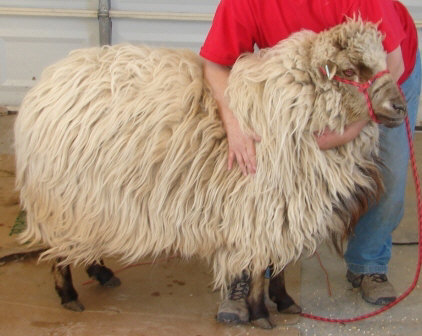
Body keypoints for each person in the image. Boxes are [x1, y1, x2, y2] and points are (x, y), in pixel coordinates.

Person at [199, 0, 421, 324]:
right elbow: (216, 64)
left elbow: (392, 63)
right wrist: (236, 126)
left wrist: (351, 128)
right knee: (252, 167)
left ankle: (369, 264)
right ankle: (246, 268)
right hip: (313, 80)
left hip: (382, 75)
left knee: (387, 171)